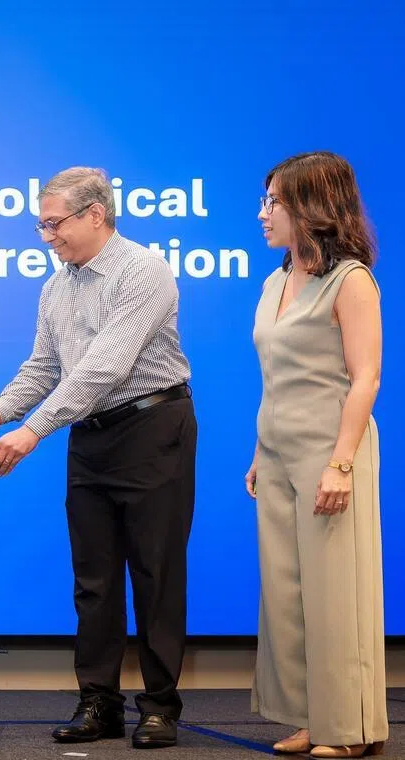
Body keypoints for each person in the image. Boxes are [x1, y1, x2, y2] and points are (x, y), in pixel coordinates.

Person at [0, 167, 196, 749]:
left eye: (54, 222)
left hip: (152, 428)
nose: (46, 235)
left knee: (155, 574)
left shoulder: (144, 271)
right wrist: (0, 411)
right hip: (90, 437)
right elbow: (45, 365)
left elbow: (106, 366)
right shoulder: (56, 285)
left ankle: (159, 708)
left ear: (96, 214)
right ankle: (99, 704)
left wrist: (34, 430)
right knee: (93, 580)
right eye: (41, 223)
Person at [248, 152, 387, 759]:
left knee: (336, 591)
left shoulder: (351, 279)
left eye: (273, 202)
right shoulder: (276, 281)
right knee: (286, 591)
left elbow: (366, 378)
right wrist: (259, 451)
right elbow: (275, 376)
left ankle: (350, 727)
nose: (263, 214)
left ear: (311, 208)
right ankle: (308, 717)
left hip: (332, 451)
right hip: (276, 453)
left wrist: (341, 462)